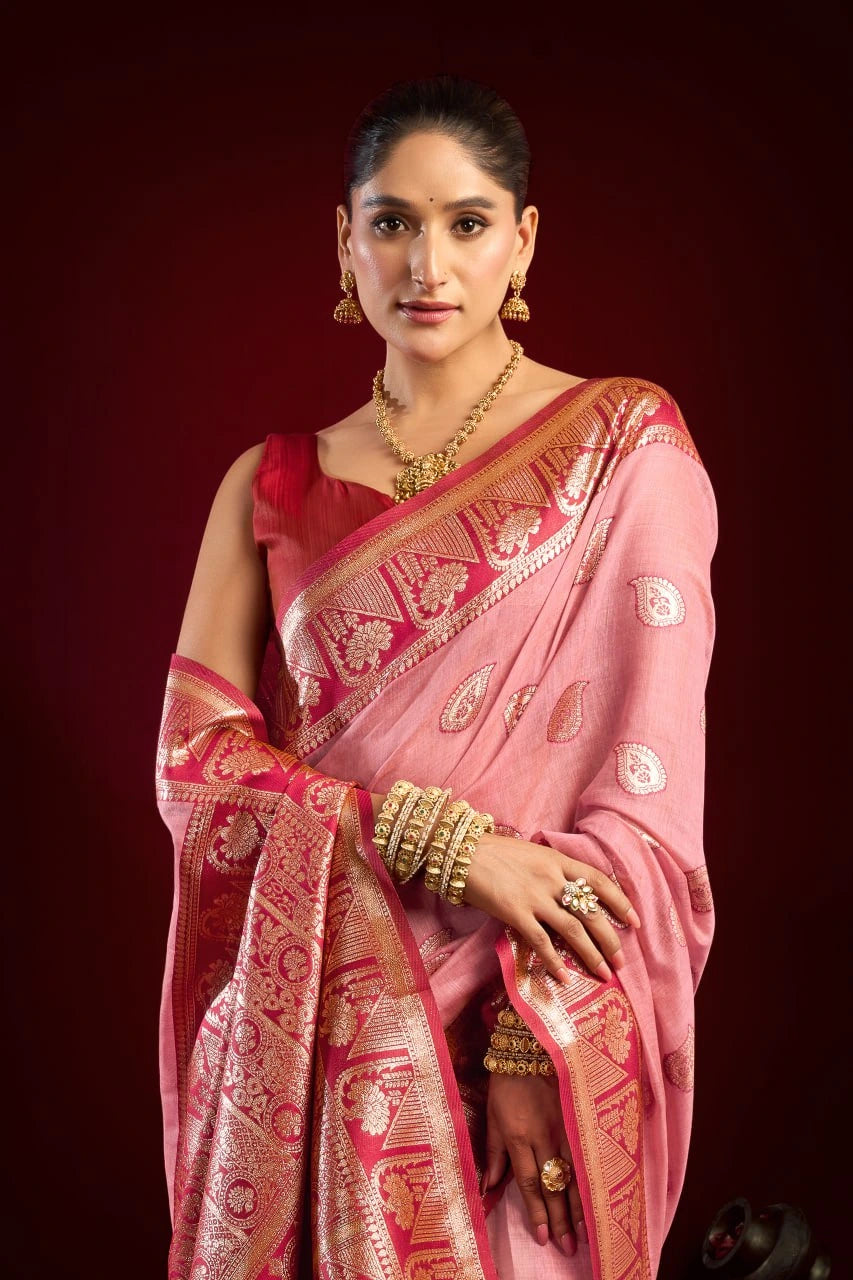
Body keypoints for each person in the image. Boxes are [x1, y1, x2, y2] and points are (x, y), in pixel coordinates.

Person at [155, 73, 718, 1280]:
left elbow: (644, 801)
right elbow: (196, 764)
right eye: (392, 220)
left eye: (465, 222)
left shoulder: (624, 448)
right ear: (343, 239)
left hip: (531, 1021)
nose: (427, 262)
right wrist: (435, 841)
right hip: (317, 1039)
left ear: (521, 241)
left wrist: (528, 1044)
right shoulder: (271, 481)